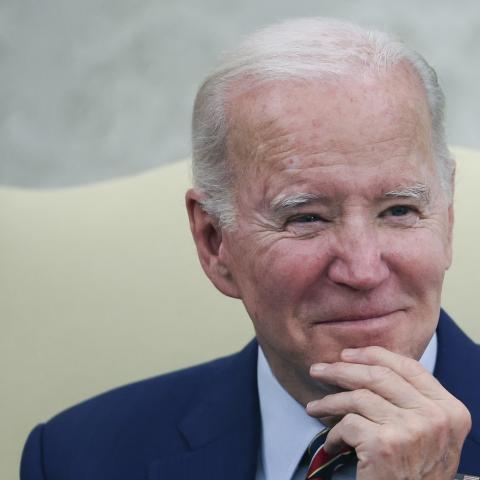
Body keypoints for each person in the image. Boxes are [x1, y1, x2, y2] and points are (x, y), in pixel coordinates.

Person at [21, 17, 480, 480]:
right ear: (214, 240)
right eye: (307, 218)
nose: (362, 271)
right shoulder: (74, 457)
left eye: (399, 210)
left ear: (447, 218)